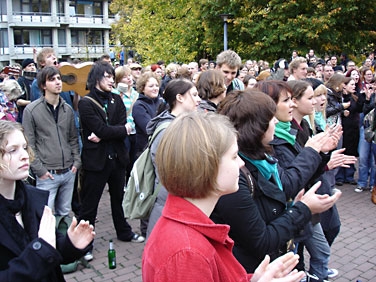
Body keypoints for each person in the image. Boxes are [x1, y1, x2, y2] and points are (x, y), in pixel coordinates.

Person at [143, 111, 305, 282]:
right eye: (234, 156)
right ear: (207, 167)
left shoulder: (188, 235)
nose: (241, 163)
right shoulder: (187, 253)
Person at [211, 89, 340, 274]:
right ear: (256, 127)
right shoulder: (235, 176)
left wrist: (318, 152)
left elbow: (283, 187)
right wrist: (303, 208)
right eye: (271, 119)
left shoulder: (262, 156)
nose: (277, 122)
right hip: (253, 270)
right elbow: (260, 241)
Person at [0, 120, 94, 281]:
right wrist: (39, 251)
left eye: (24, 147)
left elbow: (53, 250)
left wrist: (71, 244)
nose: (24, 156)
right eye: (12, 150)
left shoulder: (32, 198)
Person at [78, 62, 144, 261]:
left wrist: (109, 132)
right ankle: (84, 245)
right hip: (96, 162)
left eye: (111, 76)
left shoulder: (116, 99)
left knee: (119, 200)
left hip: (117, 158)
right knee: (90, 205)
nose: (111, 80)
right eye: (106, 76)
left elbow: (120, 127)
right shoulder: (86, 102)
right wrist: (114, 131)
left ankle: (123, 232)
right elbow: (104, 129)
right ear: (96, 78)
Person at [145, 79, 201, 238]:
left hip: (175, 203)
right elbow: (174, 172)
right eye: (194, 95)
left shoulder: (181, 125)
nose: (199, 99)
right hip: (169, 204)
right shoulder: (169, 130)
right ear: (180, 98)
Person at [22, 67, 80, 219]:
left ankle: (62, 243)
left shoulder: (67, 109)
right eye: (52, 79)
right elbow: (29, 144)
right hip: (47, 174)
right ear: (43, 85)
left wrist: (76, 162)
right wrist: (40, 170)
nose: (58, 82)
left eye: (59, 79)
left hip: (68, 171)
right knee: (44, 217)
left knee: (65, 214)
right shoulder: (32, 110)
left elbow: (73, 138)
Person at [114, 65, 139, 179]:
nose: (129, 78)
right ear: (118, 80)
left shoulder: (136, 93)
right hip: (124, 131)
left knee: (133, 161)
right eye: (124, 77)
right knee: (123, 159)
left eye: (129, 75)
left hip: (135, 130)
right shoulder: (114, 94)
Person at [133, 71, 161, 158]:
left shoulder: (161, 102)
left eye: (156, 85)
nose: (155, 88)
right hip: (145, 151)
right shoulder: (139, 106)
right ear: (142, 88)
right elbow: (148, 128)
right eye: (151, 86)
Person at [17, 58, 37, 122]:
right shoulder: (21, 81)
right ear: (24, 69)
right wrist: (34, 102)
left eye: (33, 65)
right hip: (25, 114)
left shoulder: (38, 79)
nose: (32, 67)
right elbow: (19, 101)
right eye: (29, 66)